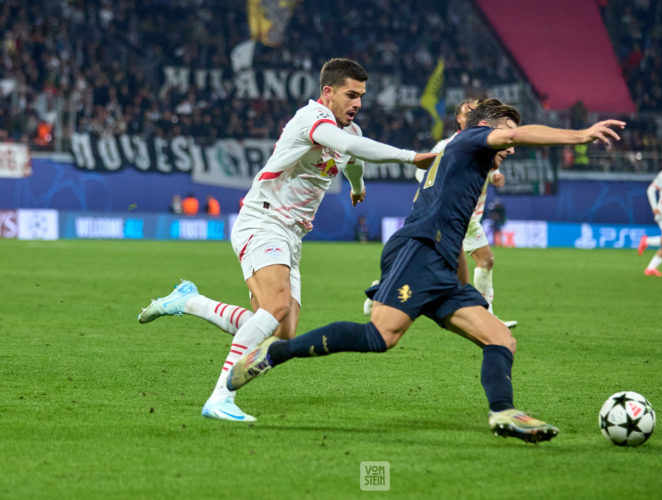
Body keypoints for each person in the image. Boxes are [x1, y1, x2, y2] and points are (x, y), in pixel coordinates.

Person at [227, 99, 625, 442]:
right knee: (380, 336)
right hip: (418, 250)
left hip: (442, 262)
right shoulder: (469, 140)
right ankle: (276, 352)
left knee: (500, 338)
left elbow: (454, 226)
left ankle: (503, 412)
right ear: (488, 128)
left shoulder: (471, 164)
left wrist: (463, 286)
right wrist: (580, 135)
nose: (512, 144)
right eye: (509, 134)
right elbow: (505, 140)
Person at [137, 58, 436, 422]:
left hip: (292, 234)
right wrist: (411, 157)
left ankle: (190, 301)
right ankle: (220, 397)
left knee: (280, 332)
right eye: (351, 94)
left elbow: (352, 154)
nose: (358, 103)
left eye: (361, 96)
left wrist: (357, 185)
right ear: (328, 93)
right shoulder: (312, 120)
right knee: (276, 306)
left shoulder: (349, 133)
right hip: (263, 221)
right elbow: (342, 143)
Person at [364, 99, 517, 328]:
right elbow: (424, 175)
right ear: (459, 118)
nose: (470, 116)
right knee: (480, 260)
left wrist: (495, 176)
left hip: (467, 214)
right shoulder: (447, 145)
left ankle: (383, 287)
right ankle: (486, 318)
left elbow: (488, 168)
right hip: (452, 213)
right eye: (467, 112)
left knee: (444, 265)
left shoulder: (485, 143)